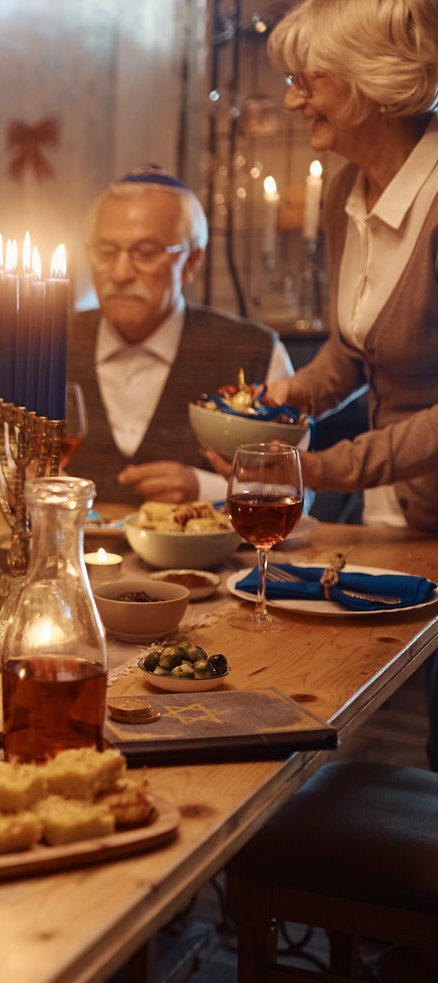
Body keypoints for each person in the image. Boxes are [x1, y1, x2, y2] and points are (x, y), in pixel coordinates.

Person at [261, 0, 438, 771]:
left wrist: (326, 468)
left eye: (309, 80)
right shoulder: (346, 193)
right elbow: (356, 347)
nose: (292, 99)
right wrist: (292, 396)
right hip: (397, 517)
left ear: (371, 83)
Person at [0, 166, 298, 507]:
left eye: (145, 252)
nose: (119, 273)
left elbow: (295, 487)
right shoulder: (37, 341)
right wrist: (13, 484)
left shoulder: (254, 352)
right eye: (105, 252)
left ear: (192, 261)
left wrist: (204, 489)